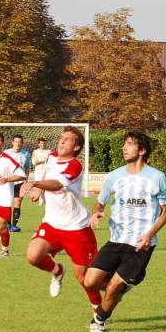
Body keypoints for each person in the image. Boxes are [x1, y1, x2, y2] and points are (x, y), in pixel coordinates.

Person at [84, 131, 166, 332]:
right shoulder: (114, 176)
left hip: (141, 243)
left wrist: (150, 234)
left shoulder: (157, 177)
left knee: (112, 288)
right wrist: (96, 213)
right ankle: (125, 285)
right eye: (124, 143)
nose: (124, 147)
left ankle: (99, 320)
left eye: (130, 144)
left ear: (142, 151)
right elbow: (99, 203)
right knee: (90, 281)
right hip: (116, 239)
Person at [20, 126, 102, 316]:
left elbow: (57, 184)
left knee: (83, 278)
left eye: (68, 139)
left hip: (76, 228)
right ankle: (57, 271)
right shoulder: (51, 157)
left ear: (76, 147)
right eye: (61, 138)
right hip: (52, 223)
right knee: (33, 256)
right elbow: (48, 176)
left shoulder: (75, 166)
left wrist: (34, 183)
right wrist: (39, 188)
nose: (62, 141)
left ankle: (98, 309)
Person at [4, 134, 31, 232]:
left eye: (20, 142)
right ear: (12, 142)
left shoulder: (25, 153)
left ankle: (14, 226)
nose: (18, 144)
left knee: (18, 202)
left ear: (22, 143)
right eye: (16, 141)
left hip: (20, 181)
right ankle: (7, 224)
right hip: (9, 181)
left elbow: (27, 167)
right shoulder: (6, 153)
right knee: (7, 202)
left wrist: (26, 180)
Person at [31, 138, 51, 205]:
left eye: (44, 143)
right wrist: (42, 161)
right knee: (39, 186)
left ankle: (44, 198)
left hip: (47, 171)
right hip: (39, 171)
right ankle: (40, 199)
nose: (43, 144)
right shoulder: (35, 152)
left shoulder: (49, 151)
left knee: (46, 186)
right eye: (41, 143)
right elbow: (34, 162)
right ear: (38, 144)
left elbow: (51, 161)